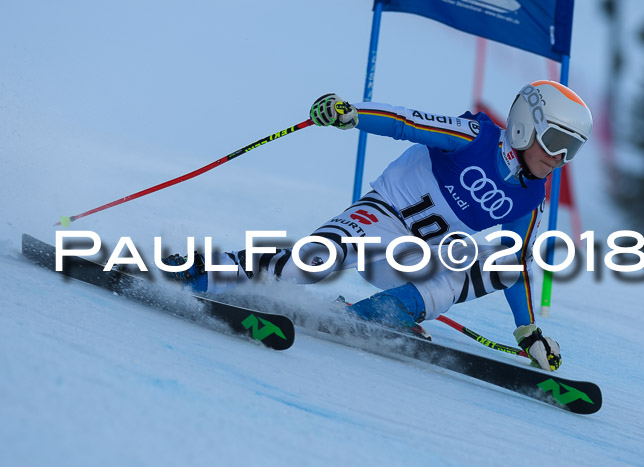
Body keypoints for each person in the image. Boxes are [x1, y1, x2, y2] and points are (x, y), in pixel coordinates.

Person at [165, 80, 593, 372]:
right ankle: (206, 271)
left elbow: (514, 265)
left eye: (571, 149)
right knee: (312, 263)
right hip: (383, 219)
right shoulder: (474, 138)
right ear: (524, 126)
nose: (560, 157)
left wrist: (529, 331)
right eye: (555, 141)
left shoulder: (530, 199)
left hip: (419, 258)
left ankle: (378, 316)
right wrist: (350, 114)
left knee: (501, 264)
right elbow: (406, 121)